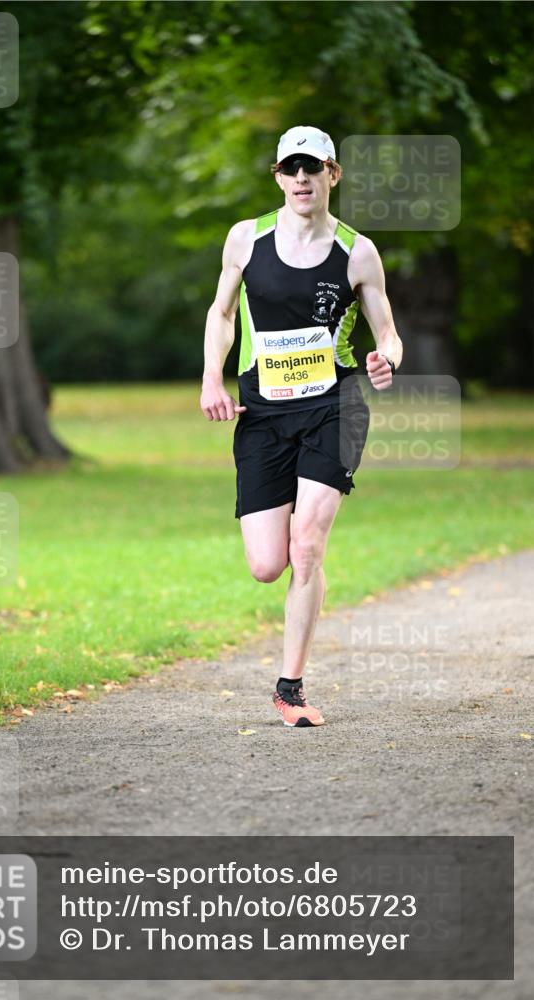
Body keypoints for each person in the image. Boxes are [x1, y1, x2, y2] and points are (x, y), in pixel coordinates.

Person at [200, 125, 403, 728]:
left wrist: (384, 358)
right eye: (291, 169)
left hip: (333, 407)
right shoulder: (246, 238)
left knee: (306, 546)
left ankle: (290, 689)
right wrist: (212, 377)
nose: (302, 179)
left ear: (332, 174)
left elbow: (388, 331)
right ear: (278, 177)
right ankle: (291, 614)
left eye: (313, 168)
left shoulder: (357, 251)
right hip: (262, 413)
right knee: (267, 564)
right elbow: (221, 311)